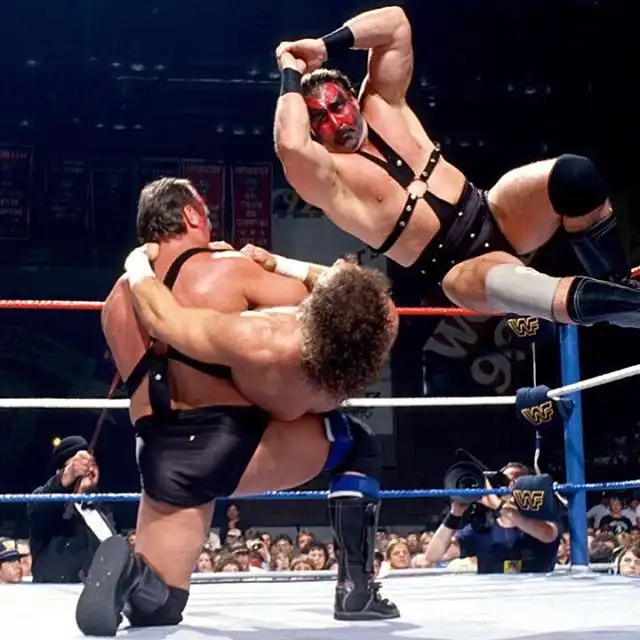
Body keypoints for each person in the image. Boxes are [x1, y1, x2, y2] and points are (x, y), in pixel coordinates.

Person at [75, 177, 399, 637]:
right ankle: (356, 590)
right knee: (356, 445)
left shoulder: (115, 301)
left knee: (161, 606)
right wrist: (273, 266)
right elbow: (339, 304)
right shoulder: (226, 269)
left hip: (161, 455)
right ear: (190, 215)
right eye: (204, 213)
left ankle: (130, 573)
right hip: (230, 441)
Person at [274, 5, 640, 329]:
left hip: (495, 211)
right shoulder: (329, 176)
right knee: (539, 292)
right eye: (319, 118)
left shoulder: (383, 102)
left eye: (337, 106)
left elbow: (395, 23)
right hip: (459, 267)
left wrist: (323, 47)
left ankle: (621, 285)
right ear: (312, 130)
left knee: (574, 176)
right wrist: (290, 71)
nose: (336, 122)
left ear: (352, 99)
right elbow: (289, 144)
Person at [425, 462, 561, 574]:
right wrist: (455, 514)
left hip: (536, 593)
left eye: (517, 480)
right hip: (495, 597)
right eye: (504, 481)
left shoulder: (544, 520)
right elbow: (433, 556)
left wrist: (499, 506)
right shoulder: (482, 529)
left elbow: (547, 534)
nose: (509, 486)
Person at [27, 436, 111, 583]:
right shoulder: (47, 504)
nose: (89, 468)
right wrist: (67, 475)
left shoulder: (101, 508)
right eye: (81, 465)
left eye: (93, 463)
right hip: (56, 593)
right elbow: (37, 509)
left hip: (96, 593)